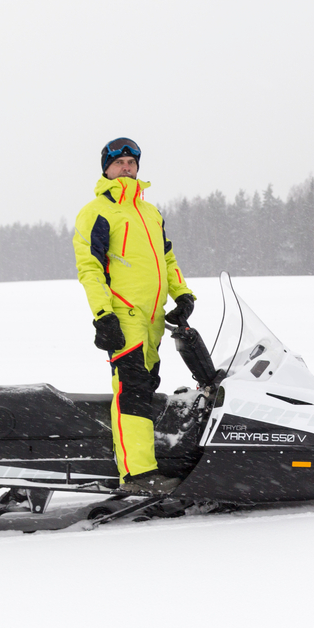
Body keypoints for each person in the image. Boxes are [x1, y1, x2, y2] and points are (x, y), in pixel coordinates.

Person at [73, 137, 196, 494]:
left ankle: (145, 463)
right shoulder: (96, 210)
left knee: (145, 389)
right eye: (119, 162)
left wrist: (183, 293)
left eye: (131, 162)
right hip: (123, 316)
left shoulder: (150, 212)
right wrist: (102, 315)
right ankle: (138, 475)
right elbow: (90, 268)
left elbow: (167, 259)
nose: (126, 167)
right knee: (132, 392)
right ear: (106, 169)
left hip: (153, 319)